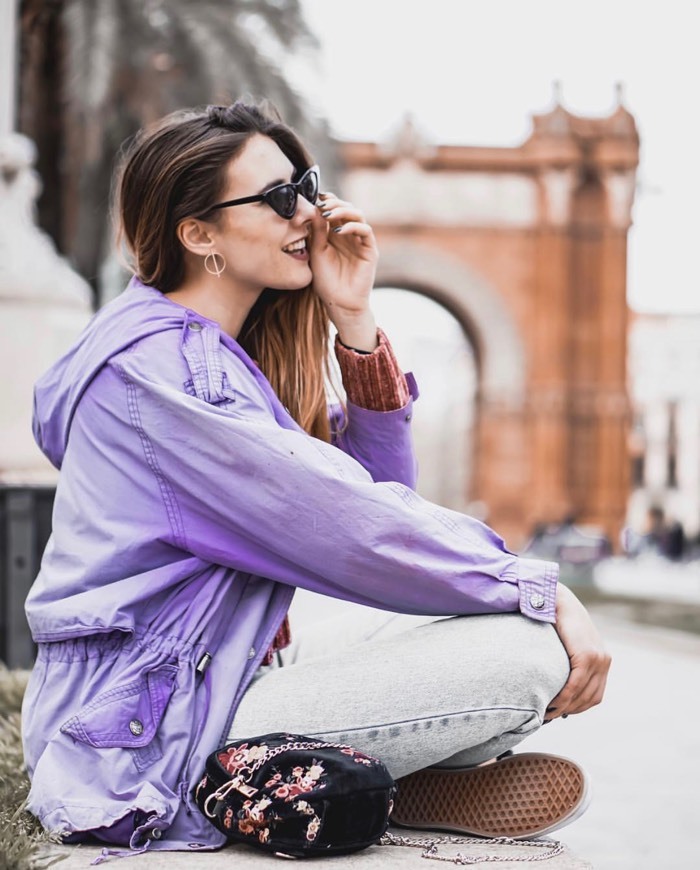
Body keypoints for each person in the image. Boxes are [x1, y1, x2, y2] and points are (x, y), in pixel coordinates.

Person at [21, 100, 611, 856]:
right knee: (530, 649)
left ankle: (351, 780)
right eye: (277, 199)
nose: (310, 213)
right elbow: (352, 528)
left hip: (210, 669)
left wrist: (355, 320)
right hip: (145, 726)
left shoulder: (215, 356)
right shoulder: (163, 374)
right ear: (198, 234)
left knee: (472, 616)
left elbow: (374, 492)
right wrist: (540, 586)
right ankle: (345, 780)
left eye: (306, 184)